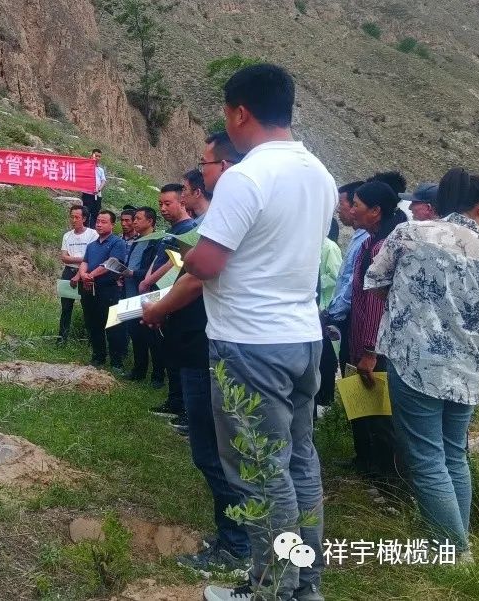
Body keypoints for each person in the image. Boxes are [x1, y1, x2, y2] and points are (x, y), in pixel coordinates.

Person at [184, 63, 335, 601]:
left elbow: (206, 263)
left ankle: (271, 588)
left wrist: (186, 260)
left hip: (250, 343)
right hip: (303, 338)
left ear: (241, 113)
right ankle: (304, 585)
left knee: (259, 472)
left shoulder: (246, 176)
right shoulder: (319, 173)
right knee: (300, 463)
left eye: (227, 113)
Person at [365, 168, 479, 557]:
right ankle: (459, 546)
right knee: (454, 454)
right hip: (467, 365)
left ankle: (451, 553)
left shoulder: (409, 233)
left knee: (426, 458)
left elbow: (376, 281)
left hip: (415, 361)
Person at [142, 131, 250, 577]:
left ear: (223, 168)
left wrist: (158, 308)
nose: (197, 180)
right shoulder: (299, 189)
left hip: (214, 343)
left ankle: (239, 545)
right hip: (242, 342)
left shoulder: (225, 215)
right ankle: (247, 540)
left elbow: (196, 272)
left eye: (203, 167)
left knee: (216, 451)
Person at [346, 180, 406, 483]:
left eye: (356, 205)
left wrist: (370, 350)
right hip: (364, 343)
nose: (350, 210)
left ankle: (390, 483)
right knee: (366, 410)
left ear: (375, 211)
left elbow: (375, 303)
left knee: (382, 417)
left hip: (376, 348)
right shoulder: (369, 242)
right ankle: (369, 467)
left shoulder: (383, 248)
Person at [145, 184, 199, 421]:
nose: (163, 208)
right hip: (160, 294)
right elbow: (160, 258)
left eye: (168, 203)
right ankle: (174, 399)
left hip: (174, 296)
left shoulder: (189, 230)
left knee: (178, 352)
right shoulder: (170, 230)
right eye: (160, 204)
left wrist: (149, 280)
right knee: (167, 349)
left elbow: (177, 263)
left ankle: (182, 405)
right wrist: (148, 279)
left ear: (182, 202)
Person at [323, 181, 369, 374]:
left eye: (341, 204)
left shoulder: (366, 240)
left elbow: (350, 283)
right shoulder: (359, 236)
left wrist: (332, 312)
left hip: (346, 317)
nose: (338, 210)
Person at [72, 210, 127, 370]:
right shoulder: (92, 245)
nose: (99, 224)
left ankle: (116, 362)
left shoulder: (117, 243)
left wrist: (91, 275)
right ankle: (98, 356)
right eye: (97, 221)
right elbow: (85, 262)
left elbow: (111, 263)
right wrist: (83, 275)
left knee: (112, 326)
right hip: (89, 289)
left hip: (108, 290)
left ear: (112, 224)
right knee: (93, 323)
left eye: (103, 222)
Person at [124, 207, 164, 384]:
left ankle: (158, 376)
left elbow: (154, 270)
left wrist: (133, 273)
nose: (134, 222)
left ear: (150, 221)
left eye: (138, 219)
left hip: (148, 292)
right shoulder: (137, 240)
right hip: (130, 290)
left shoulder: (157, 242)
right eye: (134, 218)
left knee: (152, 335)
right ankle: (139, 370)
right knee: (135, 332)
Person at [314, 218, 343, 410]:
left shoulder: (329, 246)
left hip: (325, 308)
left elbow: (336, 276)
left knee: (326, 358)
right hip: (315, 308)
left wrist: (312, 279)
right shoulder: (313, 244)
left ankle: (326, 401)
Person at [58, 205, 98, 344]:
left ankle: (90, 339)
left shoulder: (92, 234)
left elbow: (92, 258)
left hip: (86, 273)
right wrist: (83, 258)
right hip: (69, 271)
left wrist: (79, 270)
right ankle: (62, 339)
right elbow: (64, 257)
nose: (74, 220)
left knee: (88, 307)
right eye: (72, 217)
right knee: (66, 307)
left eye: (77, 217)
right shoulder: (67, 236)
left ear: (84, 218)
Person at [80, 149, 107, 229]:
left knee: (95, 213)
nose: (97, 158)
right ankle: (85, 229)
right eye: (96, 156)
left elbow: (103, 181)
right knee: (86, 212)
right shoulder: (86, 167)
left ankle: (93, 230)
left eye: (99, 156)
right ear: (91, 156)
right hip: (87, 194)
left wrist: (99, 189)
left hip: (97, 195)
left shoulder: (100, 170)